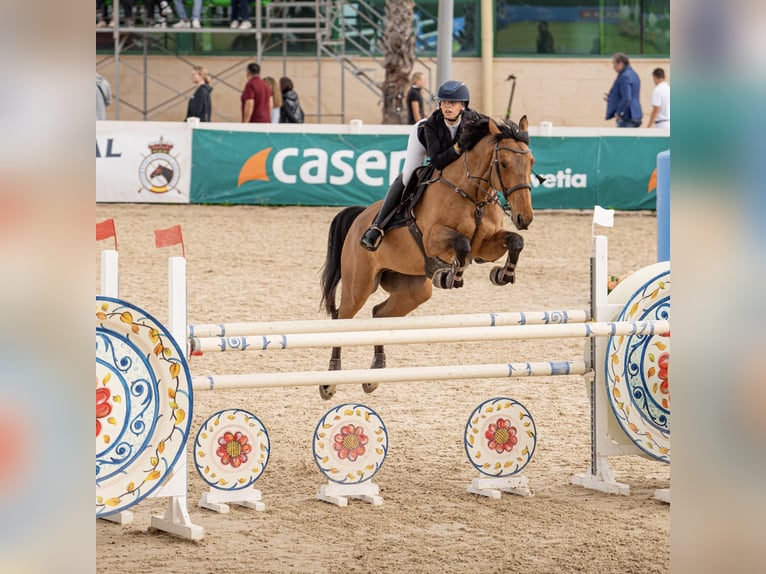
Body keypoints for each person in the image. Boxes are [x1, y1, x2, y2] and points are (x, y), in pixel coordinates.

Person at [359, 80, 477, 251]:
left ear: (463, 106)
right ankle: (377, 226)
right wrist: (458, 147)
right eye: (443, 102)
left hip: (452, 155)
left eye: (452, 102)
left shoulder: (474, 121)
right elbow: (436, 161)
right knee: (408, 175)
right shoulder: (430, 125)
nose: (447, 106)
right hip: (422, 142)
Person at [604, 52, 642, 127]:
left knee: (623, 139)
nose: (613, 66)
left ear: (620, 64)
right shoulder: (633, 74)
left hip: (627, 116)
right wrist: (611, 97)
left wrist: (619, 113)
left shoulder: (625, 76)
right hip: (635, 114)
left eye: (614, 63)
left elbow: (627, 98)